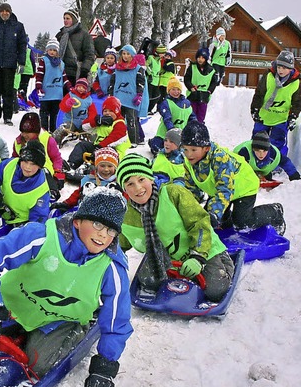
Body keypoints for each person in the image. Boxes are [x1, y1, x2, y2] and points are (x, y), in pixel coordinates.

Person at [0, 186, 132, 387]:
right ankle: (12, 330)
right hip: (14, 306)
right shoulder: (42, 236)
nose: (103, 234)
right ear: (77, 221)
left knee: (40, 363)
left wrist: (105, 365)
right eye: (97, 224)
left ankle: (76, 331)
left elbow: (117, 317)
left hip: (60, 320)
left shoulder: (112, 266)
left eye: (111, 230)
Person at [116, 154, 235, 301]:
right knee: (148, 282)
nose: (138, 188)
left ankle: (224, 261)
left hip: (202, 249)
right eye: (130, 184)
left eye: (141, 179)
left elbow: (199, 222)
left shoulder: (173, 193)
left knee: (215, 290)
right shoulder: (127, 216)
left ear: (151, 178)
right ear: (124, 190)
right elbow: (118, 244)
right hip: (168, 259)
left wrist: (197, 256)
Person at [181, 121, 286, 233]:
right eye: (185, 149)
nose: (189, 154)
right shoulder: (188, 162)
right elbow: (191, 189)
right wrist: (187, 210)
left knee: (241, 221)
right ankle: (227, 225)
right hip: (219, 191)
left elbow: (225, 189)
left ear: (206, 148)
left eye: (193, 150)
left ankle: (275, 211)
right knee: (213, 219)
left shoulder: (219, 158)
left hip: (244, 188)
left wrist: (214, 213)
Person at [0, 139, 50, 225]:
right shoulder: (9, 164)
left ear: (40, 166)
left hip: (20, 221)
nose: (28, 167)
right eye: (25, 161)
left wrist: (27, 231)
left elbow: (39, 218)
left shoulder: (42, 187)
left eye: (33, 164)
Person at [249, 50, 301, 155]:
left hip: (281, 119)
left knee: (277, 143)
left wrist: (293, 116)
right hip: (263, 117)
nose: (280, 70)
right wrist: (254, 109)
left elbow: (297, 102)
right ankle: (255, 162)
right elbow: (259, 93)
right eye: (279, 67)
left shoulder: (296, 82)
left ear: (290, 68)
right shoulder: (268, 76)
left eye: (284, 68)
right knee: (257, 141)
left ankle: (275, 165)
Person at [12, 112, 65, 201]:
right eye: (23, 132)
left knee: (43, 174)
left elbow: (56, 158)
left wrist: (58, 172)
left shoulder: (47, 140)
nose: (25, 135)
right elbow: (14, 158)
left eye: (28, 132)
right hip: (25, 170)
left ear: (36, 132)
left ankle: (52, 192)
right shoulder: (18, 142)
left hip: (43, 171)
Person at [68, 96, 131, 170]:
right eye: (105, 111)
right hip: (99, 148)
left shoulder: (119, 123)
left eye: (111, 111)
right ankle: (72, 164)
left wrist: (100, 147)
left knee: (105, 153)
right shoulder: (102, 122)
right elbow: (85, 127)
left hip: (114, 152)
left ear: (117, 112)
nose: (107, 113)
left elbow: (116, 137)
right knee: (82, 145)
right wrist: (96, 122)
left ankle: (91, 169)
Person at [51, 147, 120, 214]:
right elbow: (79, 193)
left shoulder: (119, 183)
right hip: (84, 212)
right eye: (102, 166)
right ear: (96, 167)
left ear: (115, 167)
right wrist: (67, 203)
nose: (106, 169)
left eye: (110, 166)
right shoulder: (90, 178)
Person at [108, 44, 147, 146]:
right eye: (123, 53)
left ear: (132, 55)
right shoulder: (117, 68)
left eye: (128, 54)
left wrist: (139, 95)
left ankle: (133, 141)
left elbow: (141, 82)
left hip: (131, 100)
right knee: (117, 121)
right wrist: (111, 96)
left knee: (132, 121)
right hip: (118, 100)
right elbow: (112, 83)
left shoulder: (138, 69)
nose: (125, 56)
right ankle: (117, 139)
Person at [148, 77, 196, 155]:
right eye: (173, 89)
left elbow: (192, 117)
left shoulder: (186, 103)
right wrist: (173, 131)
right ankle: (153, 143)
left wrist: (194, 127)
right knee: (160, 147)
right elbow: (167, 119)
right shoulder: (166, 103)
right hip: (165, 133)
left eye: (178, 89)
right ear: (168, 91)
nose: (176, 92)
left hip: (180, 134)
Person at [35, 38, 72, 131]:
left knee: (54, 114)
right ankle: (44, 131)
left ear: (57, 51)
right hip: (46, 94)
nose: (52, 52)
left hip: (57, 94)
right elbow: (39, 75)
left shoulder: (61, 63)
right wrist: (38, 87)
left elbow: (64, 77)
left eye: (54, 50)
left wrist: (69, 87)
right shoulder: (44, 61)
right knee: (44, 113)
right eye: (50, 49)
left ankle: (53, 131)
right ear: (47, 50)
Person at [234, 131, 300, 183]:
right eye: (257, 151)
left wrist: (294, 176)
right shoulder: (244, 152)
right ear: (253, 149)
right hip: (245, 170)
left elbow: (285, 162)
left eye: (264, 151)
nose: (261, 154)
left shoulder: (274, 154)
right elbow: (233, 167)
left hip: (264, 171)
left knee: (267, 175)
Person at [54, 9, 95, 85]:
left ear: (74, 19)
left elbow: (89, 54)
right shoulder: (60, 35)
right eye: (64, 18)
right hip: (60, 72)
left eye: (68, 18)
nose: (65, 20)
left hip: (75, 73)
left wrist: (84, 70)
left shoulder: (84, 35)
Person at [183, 47, 218, 124]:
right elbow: (187, 79)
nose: (200, 59)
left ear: (206, 59)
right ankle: (190, 130)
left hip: (204, 96)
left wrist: (209, 91)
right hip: (193, 94)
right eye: (199, 57)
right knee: (191, 115)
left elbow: (214, 82)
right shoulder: (192, 67)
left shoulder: (211, 70)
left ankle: (199, 130)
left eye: (202, 58)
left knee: (201, 117)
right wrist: (191, 87)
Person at [54, 77, 92, 145]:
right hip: (71, 120)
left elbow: (92, 112)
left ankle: (94, 144)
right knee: (64, 129)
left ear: (86, 89)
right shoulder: (70, 95)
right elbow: (62, 107)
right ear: (76, 87)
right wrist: (67, 104)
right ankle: (54, 142)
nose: (81, 89)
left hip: (83, 122)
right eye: (79, 87)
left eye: (83, 87)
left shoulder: (89, 99)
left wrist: (90, 121)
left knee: (91, 131)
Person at [145, 44, 165, 114]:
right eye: (162, 53)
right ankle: (147, 110)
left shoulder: (159, 60)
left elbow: (158, 70)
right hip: (150, 80)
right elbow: (146, 65)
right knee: (149, 96)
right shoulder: (151, 58)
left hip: (156, 81)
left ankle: (149, 109)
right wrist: (149, 74)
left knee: (157, 96)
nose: (163, 55)